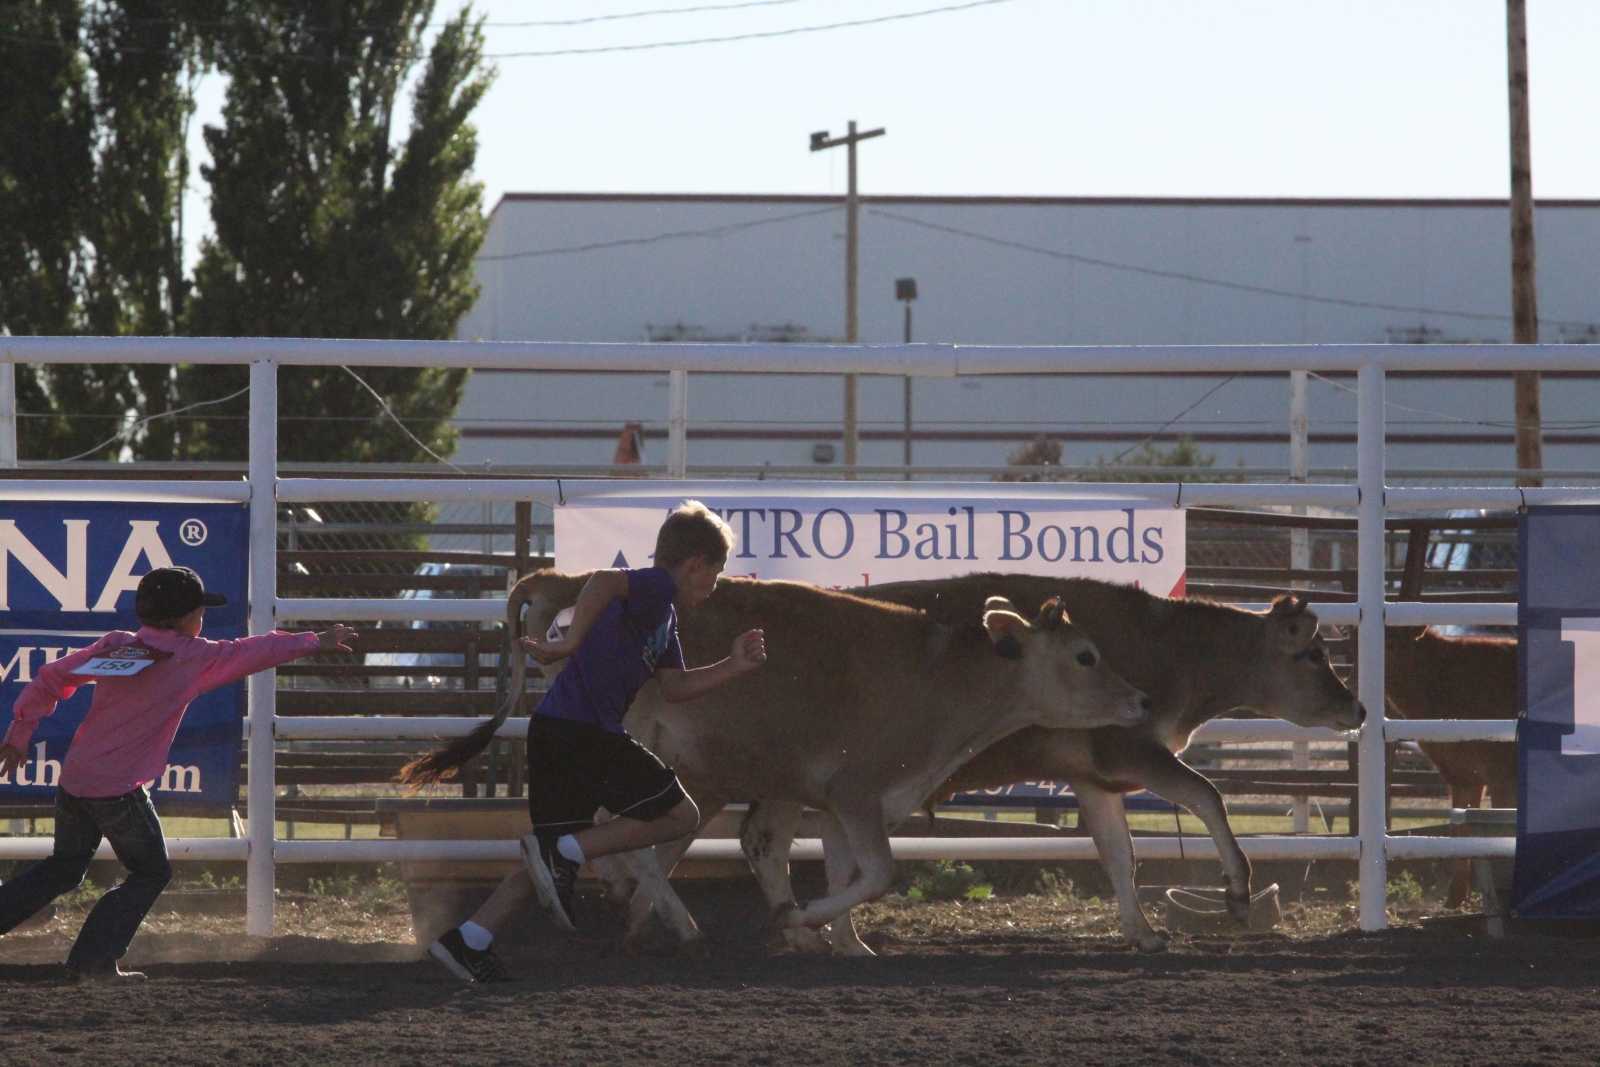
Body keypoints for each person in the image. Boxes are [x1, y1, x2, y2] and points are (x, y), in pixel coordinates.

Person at [428, 500, 766, 983]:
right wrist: (569, 644)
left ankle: (468, 941)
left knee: (547, 857)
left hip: (559, 732)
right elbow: (606, 580)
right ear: (694, 564)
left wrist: (733, 666)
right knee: (680, 815)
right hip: (583, 733)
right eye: (715, 574)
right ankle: (564, 853)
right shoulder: (657, 587)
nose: (713, 586)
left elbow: (675, 687)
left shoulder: (664, 616)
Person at [0, 565, 357, 982]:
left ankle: (77, 952)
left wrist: (19, 735)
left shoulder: (118, 646)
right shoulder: (194, 657)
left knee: (64, 866)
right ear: (186, 618)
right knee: (151, 872)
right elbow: (255, 650)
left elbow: (50, 678)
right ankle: (92, 961)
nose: (202, 618)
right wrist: (313, 641)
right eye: (199, 612)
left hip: (76, 781)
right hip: (117, 791)